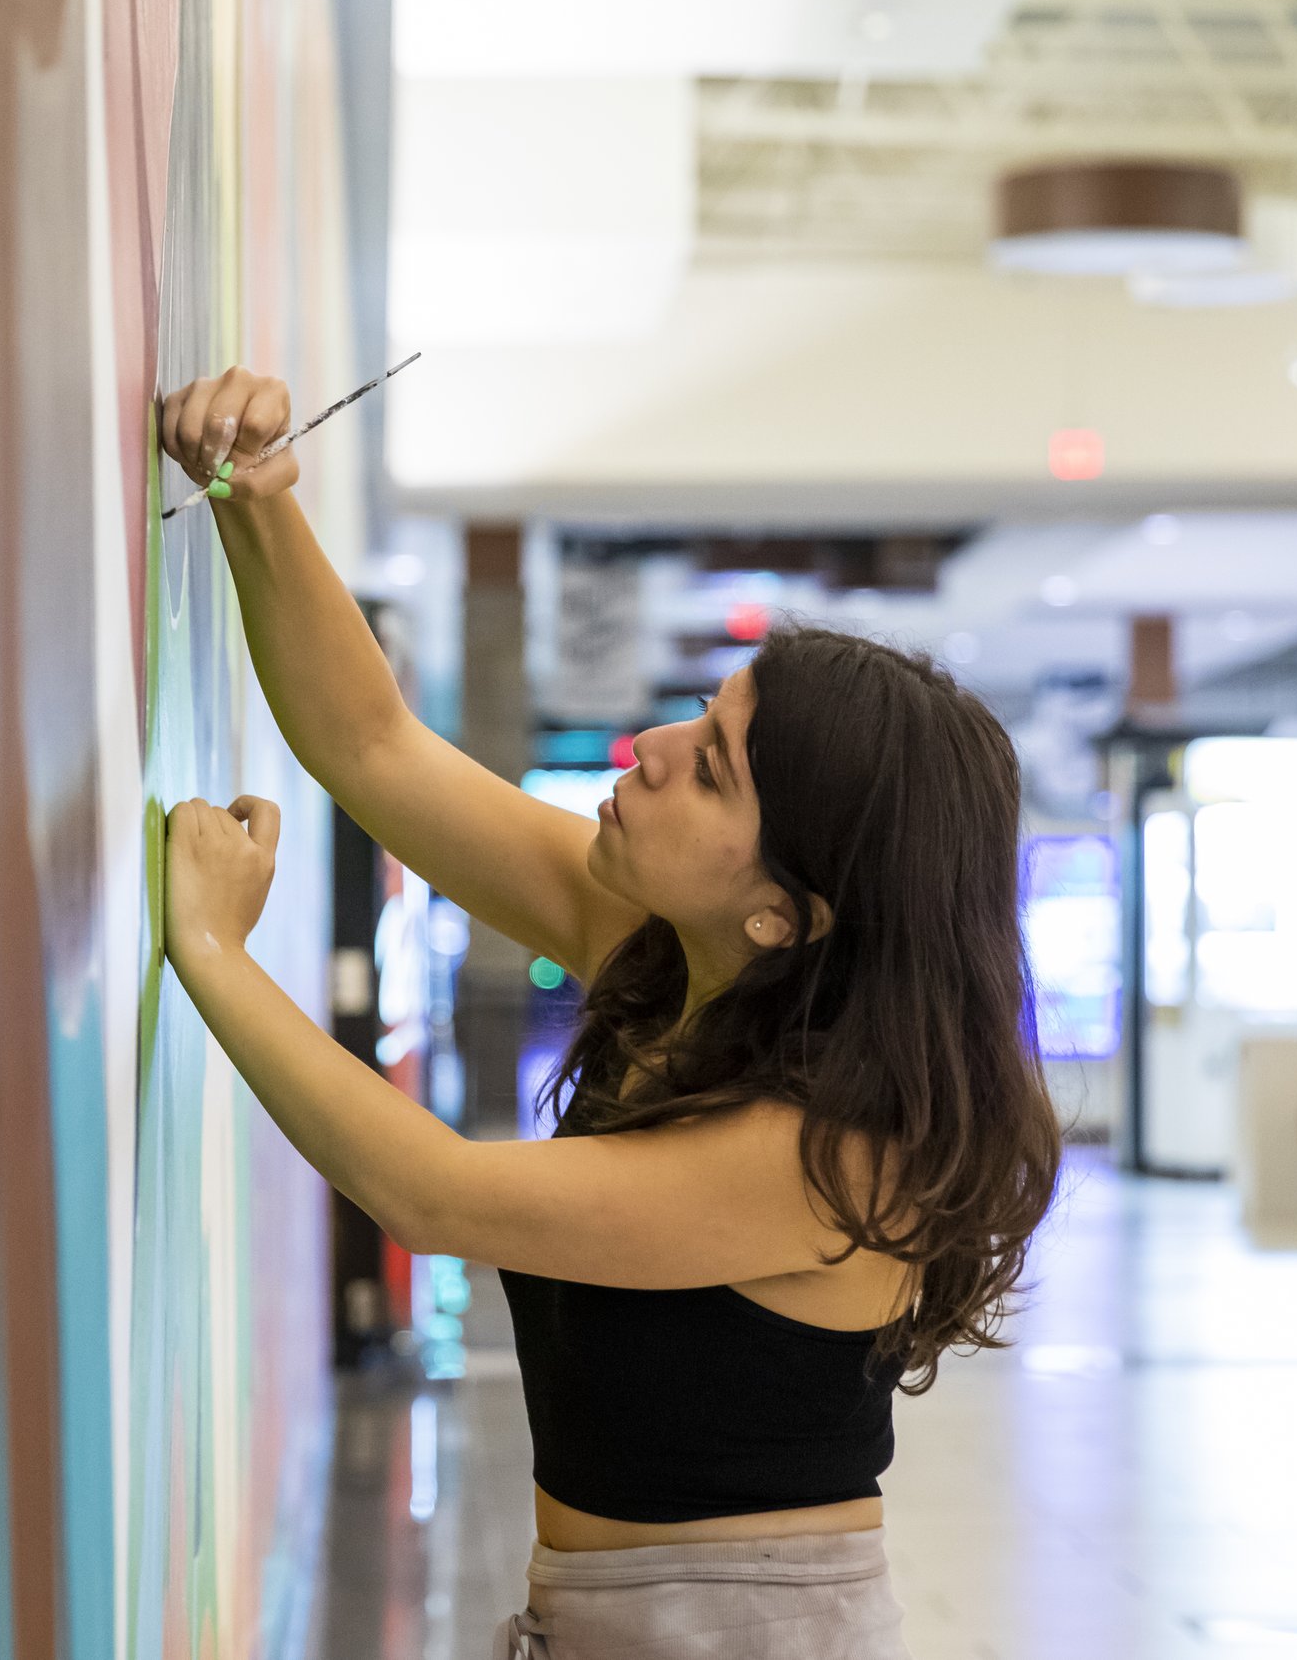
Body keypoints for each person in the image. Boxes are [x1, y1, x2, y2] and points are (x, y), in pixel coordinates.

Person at [155, 366, 1063, 1660]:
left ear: (788, 914)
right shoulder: (668, 956)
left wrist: (212, 949)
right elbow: (372, 746)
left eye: (716, 766)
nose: (647, 745)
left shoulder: (836, 1155)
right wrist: (251, 492)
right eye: (706, 714)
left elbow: (435, 1195)